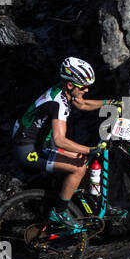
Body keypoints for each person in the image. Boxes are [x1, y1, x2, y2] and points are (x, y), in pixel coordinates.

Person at [12, 57, 118, 225]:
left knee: (84, 160)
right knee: (79, 168)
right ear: (70, 85)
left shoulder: (63, 91)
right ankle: (59, 211)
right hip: (27, 148)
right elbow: (60, 140)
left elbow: (82, 105)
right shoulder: (57, 103)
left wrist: (110, 103)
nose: (87, 90)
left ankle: (92, 202)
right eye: (83, 86)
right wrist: (90, 149)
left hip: (38, 141)